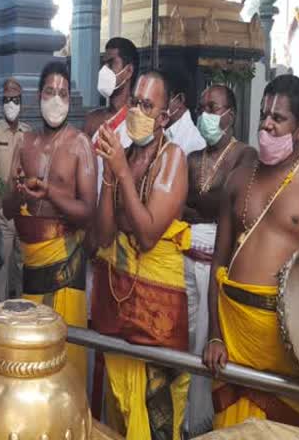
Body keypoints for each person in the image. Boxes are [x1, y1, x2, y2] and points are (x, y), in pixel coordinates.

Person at [203, 75, 299, 431]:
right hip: (233, 338)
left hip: (291, 348)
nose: (266, 124)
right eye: (263, 114)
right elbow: (218, 263)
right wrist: (214, 335)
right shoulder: (239, 178)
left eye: (278, 118)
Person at [93, 70, 190, 439]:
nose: (137, 110)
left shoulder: (173, 159)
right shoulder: (124, 154)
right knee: (119, 410)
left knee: (155, 419)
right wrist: (107, 172)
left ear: (164, 117)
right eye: (134, 101)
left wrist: (120, 170)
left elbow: (148, 234)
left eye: (147, 105)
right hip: (117, 304)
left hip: (155, 315)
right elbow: (103, 234)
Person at [3, 62, 96, 386]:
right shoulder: (25, 143)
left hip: (65, 265)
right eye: (49, 92)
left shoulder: (80, 144)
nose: (56, 100)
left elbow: (88, 210)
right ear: (38, 96)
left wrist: (51, 192)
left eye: (63, 93)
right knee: (33, 363)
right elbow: (7, 208)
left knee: (65, 364)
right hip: (31, 267)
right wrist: (17, 194)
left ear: (70, 99)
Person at [182, 85, 255, 435]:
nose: (204, 113)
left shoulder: (245, 155)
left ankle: (206, 423)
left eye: (212, 107)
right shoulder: (193, 157)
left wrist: (200, 207)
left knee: (209, 341)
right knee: (188, 338)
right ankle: (186, 418)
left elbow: (224, 203)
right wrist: (201, 206)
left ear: (231, 114)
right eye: (201, 106)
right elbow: (181, 204)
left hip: (221, 260)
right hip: (187, 256)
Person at [0, 77, 31, 302]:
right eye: (7, 100)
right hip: (2, 215)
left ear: (22, 102)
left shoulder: (29, 134)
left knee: (23, 270)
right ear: (2, 102)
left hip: (26, 213)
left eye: (15, 100)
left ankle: (22, 322)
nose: (11, 104)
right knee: (0, 272)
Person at [83, 37, 138, 195]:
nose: (104, 71)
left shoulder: (138, 120)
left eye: (111, 64)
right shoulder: (91, 120)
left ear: (128, 71)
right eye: (103, 64)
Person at [162, 65, 206, 156]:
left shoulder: (196, 143)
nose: (158, 103)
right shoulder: (157, 129)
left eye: (163, 97)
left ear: (180, 99)